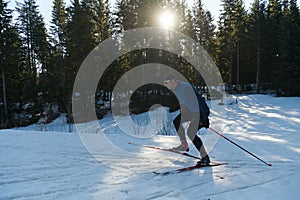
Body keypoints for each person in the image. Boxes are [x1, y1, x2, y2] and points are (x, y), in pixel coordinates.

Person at [163, 73, 210, 166]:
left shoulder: (185, 88)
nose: (166, 85)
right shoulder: (176, 89)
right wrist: (184, 110)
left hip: (200, 112)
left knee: (191, 133)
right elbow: (186, 101)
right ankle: (184, 145)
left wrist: (203, 118)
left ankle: (205, 158)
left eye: (167, 83)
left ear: (173, 81)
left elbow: (199, 101)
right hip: (191, 112)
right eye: (164, 84)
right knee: (176, 121)